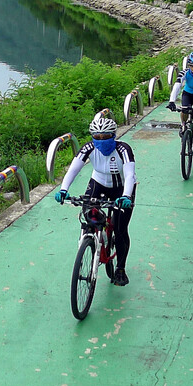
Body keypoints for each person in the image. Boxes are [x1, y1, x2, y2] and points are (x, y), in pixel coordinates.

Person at [53, 111, 137, 286]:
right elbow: (73, 169)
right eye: (96, 137)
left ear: (114, 136)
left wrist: (126, 196)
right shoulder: (88, 148)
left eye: (105, 137)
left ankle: (120, 268)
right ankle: (91, 238)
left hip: (121, 189)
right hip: (98, 183)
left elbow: (130, 176)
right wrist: (63, 189)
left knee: (121, 229)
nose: (101, 140)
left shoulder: (124, 150)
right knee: (88, 215)